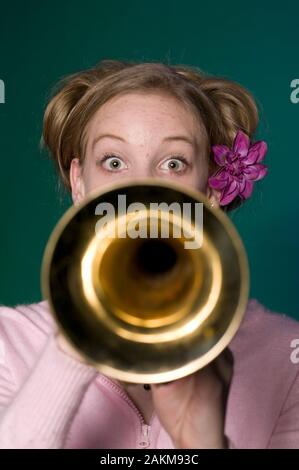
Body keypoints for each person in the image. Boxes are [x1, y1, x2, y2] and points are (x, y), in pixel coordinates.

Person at [0, 60, 299, 449]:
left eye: (173, 163)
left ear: (208, 192)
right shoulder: (7, 340)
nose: (141, 190)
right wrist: (76, 341)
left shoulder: (287, 356)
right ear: (79, 183)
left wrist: (203, 442)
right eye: (114, 162)